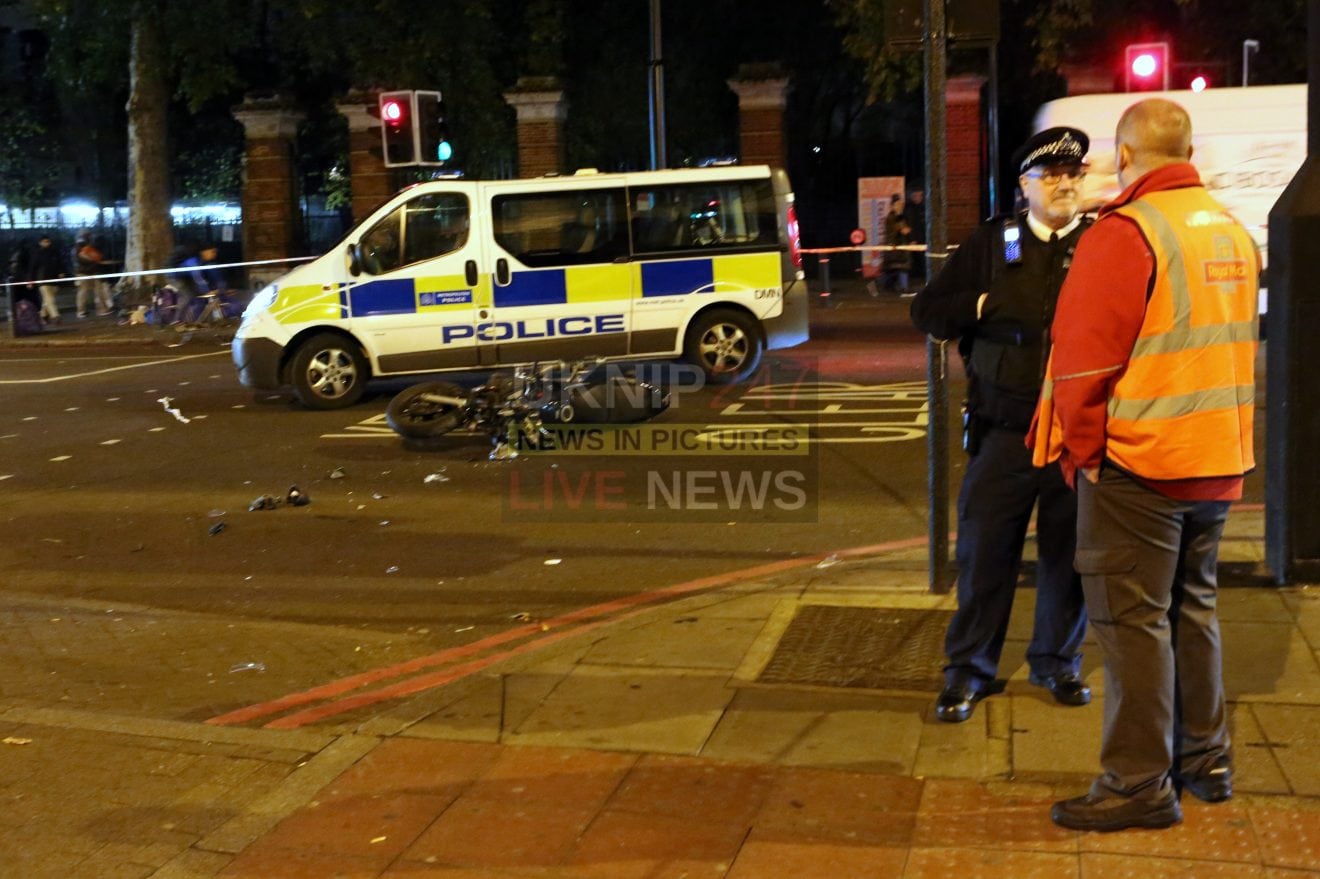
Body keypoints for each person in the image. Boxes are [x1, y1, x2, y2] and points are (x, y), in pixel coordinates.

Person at [1030, 99, 1258, 832]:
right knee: (1194, 608)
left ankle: (1136, 783)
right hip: (1216, 459)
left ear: (1124, 156)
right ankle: (1206, 760)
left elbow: (1081, 362)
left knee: (1131, 624)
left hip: (1143, 463)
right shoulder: (1231, 231)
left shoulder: (1126, 234)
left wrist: (1087, 455)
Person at [910, 127, 1093, 724]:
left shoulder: (1101, 244)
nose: (1064, 184)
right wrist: (983, 306)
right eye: (1050, 175)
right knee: (986, 555)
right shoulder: (995, 243)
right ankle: (969, 671)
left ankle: (1057, 661)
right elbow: (928, 311)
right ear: (1025, 186)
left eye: (1073, 173)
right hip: (1003, 432)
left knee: (1070, 559)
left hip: (1075, 436)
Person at [173, 244, 222, 324]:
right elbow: (198, 277)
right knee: (187, 296)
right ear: (204, 252)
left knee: (200, 296)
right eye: (212, 252)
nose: (214, 254)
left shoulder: (204, 262)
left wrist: (215, 288)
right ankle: (176, 320)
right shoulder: (193, 262)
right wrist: (206, 291)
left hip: (188, 279)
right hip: (176, 278)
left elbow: (206, 278)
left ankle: (197, 320)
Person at [73, 231, 114, 317]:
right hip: (83, 273)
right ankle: (81, 311)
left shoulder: (90, 247)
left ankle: (101, 309)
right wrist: (94, 261)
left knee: (98, 291)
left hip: (93, 271)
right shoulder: (79, 249)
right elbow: (83, 259)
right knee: (83, 292)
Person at [29, 235, 66, 324]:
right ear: (40, 242)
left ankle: (43, 315)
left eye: (48, 241)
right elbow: (32, 268)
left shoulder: (54, 252)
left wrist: (61, 272)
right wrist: (30, 280)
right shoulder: (37, 253)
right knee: (50, 299)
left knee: (48, 299)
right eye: (45, 241)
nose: (47, 243)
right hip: (42, 280)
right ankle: (55, 316)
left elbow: (59, 263)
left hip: (54, 279)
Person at [883, 195, 913, 293]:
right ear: (892, 206)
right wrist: (905, 230)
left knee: (900, 268)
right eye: (897, 204)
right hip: (894, 247)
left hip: (900, 247)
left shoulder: (900, 216)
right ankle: (900, 287)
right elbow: (904, 230)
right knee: (896, 268)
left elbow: (906, 230)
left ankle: (903, 287)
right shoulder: (892, 217)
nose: (900, 206)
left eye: (901, 204)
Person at [903, 188, 927, 288]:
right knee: (914, 259)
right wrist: (912, 239)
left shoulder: (924, 207)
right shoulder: (911, 209)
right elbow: (911, 224)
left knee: (922, 259)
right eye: (915, 195)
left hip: (923, 238)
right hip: (916, 239)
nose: (917, 197)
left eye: (919, 195)